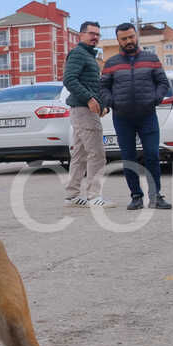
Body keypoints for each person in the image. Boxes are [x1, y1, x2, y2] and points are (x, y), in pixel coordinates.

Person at [99, 22, 172, 210]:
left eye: (131, 37)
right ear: (118, 40)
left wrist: (155, 98)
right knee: (128, 158)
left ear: (136, 36)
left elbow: (163, 83)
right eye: (124, 38)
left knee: (152, 156)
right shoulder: (111, 63)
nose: (128, 41)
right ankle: (136, 196)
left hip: (147, 116)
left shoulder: (151, 58)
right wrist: (112, 102)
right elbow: (103, 87)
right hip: (122, 118)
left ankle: (156, 196)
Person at [61, 20, 111, 207]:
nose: (95, 37)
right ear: (81, 35)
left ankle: (72, 196)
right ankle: (94, 196)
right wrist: (90, 99)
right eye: (91, 33)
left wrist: (102, 105)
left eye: (98, 34)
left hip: (83, 110)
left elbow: (92, 84)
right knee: (97, 154)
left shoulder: (89, 56)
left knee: (80, 155)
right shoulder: (78, 54)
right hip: (83, 110)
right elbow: (69, 79)